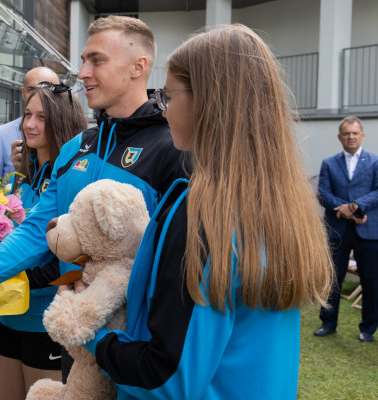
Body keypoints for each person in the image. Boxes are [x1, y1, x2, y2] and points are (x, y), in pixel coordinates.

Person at [73, 24, 333, 398]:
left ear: (208, 103)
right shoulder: (279, 203)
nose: (163, 110)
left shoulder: (202, 214)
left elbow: (167, 378)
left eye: (168, 96)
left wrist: (95, 335)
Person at [0, 15, 189, 380]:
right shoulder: (77, 147)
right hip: (77, 340)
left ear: (139, 67)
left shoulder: (172, 148)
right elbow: (34, 231)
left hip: (135, 351)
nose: (83, 72)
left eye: (97, 60)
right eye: (84, 60)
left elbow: (176, 265)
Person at [0, 82, 87, 399]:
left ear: (61, 122)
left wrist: (9, 277)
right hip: (8, 316)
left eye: (41, 117)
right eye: (27, 114)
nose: (30, 124)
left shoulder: (73, 179)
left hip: (46, 325)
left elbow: (68, 261)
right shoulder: (28, 176)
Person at [315, 116, 378, 343]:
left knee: (371, 280)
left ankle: (368, 328)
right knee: (332, 278)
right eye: (346, 133)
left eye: (355, 133)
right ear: (340, 137)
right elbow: (323, 193)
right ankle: (328, 322)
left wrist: (355, 207)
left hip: (368, 230)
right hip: (337, 230)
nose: (351, 136)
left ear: (362, 135)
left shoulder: (375, 162)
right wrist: (343, 209)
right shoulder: (329, 163)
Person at [0, 67, 60, 182]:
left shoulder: (73, 136)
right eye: (32, 89)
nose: (38, 95)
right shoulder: (3, 135)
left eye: (46, 89)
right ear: (23, 93)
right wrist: (18, 172)